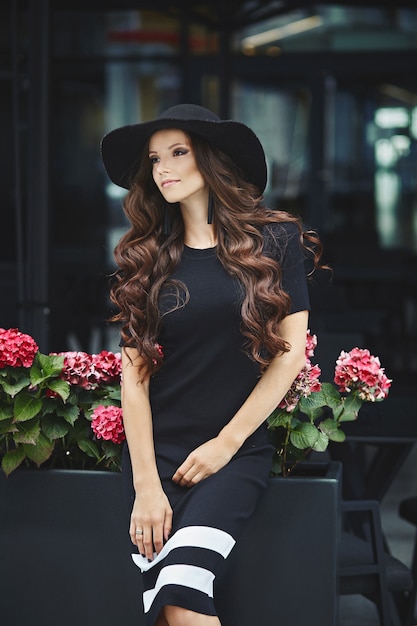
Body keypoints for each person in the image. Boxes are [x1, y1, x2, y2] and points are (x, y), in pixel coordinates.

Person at [100, 103, 324, 626]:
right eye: (155, 159)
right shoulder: (146, 257)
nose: (163, 169)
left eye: (178, 153)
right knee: (162, 609)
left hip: (234, 454)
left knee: (179, 594)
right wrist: (146, 488)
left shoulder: (275, 240)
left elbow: (289, 355)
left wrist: (226, 443)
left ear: (211, 161)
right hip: (159, 463)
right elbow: (134, 383)